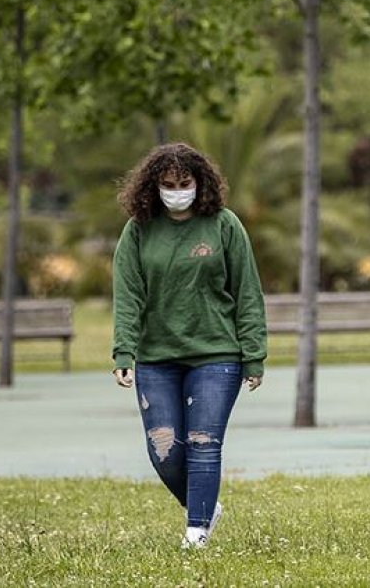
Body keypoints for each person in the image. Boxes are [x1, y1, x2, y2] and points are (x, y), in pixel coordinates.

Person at [111, 142, 267, 549]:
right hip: (156, 359)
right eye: (168, 184)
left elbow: (247, 292)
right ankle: (205, 507)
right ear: (153, 186)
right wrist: (123, 351)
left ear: (200, 183)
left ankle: (195, 532)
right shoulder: (138, 230)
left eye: (184, 182)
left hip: (217, 356)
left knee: (203, 443)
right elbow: (128, 296)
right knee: (164, 451)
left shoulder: (225, 225)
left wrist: (254, 355)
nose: (176, 190)